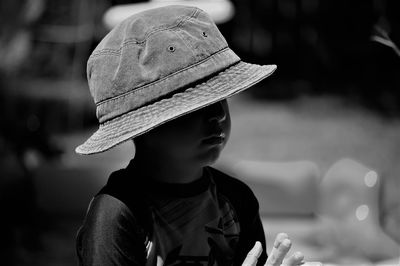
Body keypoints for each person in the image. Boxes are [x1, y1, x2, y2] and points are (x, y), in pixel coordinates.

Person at [75, 5, 307, 266]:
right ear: (142, 125)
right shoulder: (117, 215)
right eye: (195, 106)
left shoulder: (236, 201)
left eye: (222, 97)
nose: (218, 115)